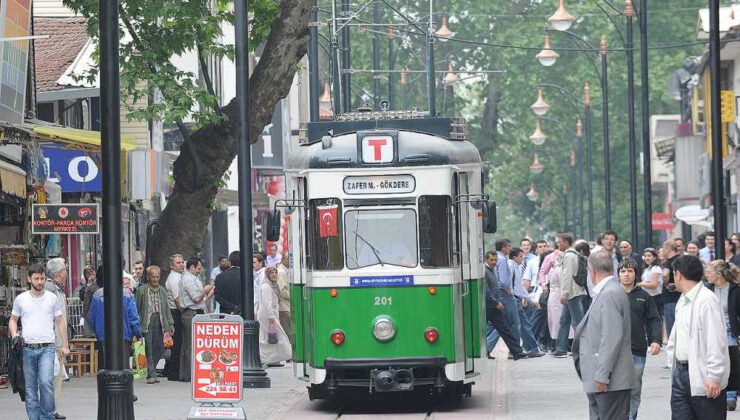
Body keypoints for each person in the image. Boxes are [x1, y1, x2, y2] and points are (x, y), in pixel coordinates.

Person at [573, 250, 635, 420]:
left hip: (610, 381)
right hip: (604, 380)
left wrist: (602, 374)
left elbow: (611, 337)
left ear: (591, 271)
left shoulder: (610, 293)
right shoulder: (608, 291)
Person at [666, 255, 729, 419]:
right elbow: (676, 334)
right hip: (680, 374)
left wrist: (714, 376)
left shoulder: (707, 300)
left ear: (678, 274)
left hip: (703, 375)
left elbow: (716, 341)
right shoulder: (683, 299)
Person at [9, 264, 70, 420]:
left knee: (45, 383)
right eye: (36, 278)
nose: (40, 281)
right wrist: (15, 334)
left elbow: (60, 321)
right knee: (30, 389)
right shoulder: (21, 299)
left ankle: (46, 417)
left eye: (42, 278)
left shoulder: (52, 298)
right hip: (27, 348)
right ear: (29, 279)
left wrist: (65, 345)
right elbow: (13, 320)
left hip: (47, 348)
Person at [618, 258, 662, 420]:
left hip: (637, 349)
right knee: (616, 390)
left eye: (630, 271)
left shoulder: (644, 296)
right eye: (623, 271)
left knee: (634, 389)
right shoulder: (611, 294)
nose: (626, 275)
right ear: (618, 274)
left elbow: (654, 319)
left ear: (636, 274)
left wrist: (655, 340)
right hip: (614, 351)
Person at [705, 260, 740, 411]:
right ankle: (719, 391)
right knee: (714, 361)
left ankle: (731, 394)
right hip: (711, 331)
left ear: (718, 274)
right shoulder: (706, 290)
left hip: (729, 332)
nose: (706, 274)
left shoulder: (735, 290)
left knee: (731, 361)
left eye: (709, 271)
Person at [135, 266, 174, 384]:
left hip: (160, 320)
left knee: (160, 347)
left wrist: (170, 324)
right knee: (149, 347)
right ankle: (151, 374)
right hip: (147, 321)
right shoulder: (142, 290)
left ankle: (150, 370)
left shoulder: (162, 290)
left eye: (157, 277)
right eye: (153, 276)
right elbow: (137, 308)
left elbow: (166, 308)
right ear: (148, 277)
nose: (155, 279)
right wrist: (137, 324)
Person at [484, 251, 526, 360]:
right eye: (491, 260)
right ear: (486, 260)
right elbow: (486, 290)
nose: (493, 262)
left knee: (504, 329)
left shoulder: (492, 270)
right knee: (485, 330)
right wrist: (495, 302)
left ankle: (517, 351)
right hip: (489, 306)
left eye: (495, 260)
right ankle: (486, 350)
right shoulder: (485, 271)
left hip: (495, 306)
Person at [554, 233, 589, 358]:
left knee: (578, 322)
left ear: (566, 242)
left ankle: (584, 348)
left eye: (559, 242)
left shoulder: (569, 255)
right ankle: (561, 347)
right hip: (575, 291)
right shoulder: (572, 254)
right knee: (564, 320)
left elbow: (567, 275)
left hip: (572, 293)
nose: (557, 244)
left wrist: (564, 293)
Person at [179, 257, 214, 381]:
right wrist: (205, 290)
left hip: (197, 311)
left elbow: (202, 299)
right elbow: (196, 298)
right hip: (191, 312)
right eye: (198, 268)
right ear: (192, 267)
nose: (200, 271)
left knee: (192, 344)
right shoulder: (188, 279)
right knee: (190, 344)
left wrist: (208, 291)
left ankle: (189, 372)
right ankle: (189, 374)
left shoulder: (194, 278)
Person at [44, 258, 68, 420]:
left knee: (56, 377)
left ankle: (52, 409)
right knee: (51, 377)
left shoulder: (57, 289)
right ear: (60, 272)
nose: (66, 271)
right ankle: (49, 410)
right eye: (65, 269)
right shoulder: (50, 290)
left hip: (58, 341)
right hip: (53, 342)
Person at [509, 248, 544, 357]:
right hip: (512, 298)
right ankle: (527, 349)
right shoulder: (511, 266)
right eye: (520, 256)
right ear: (514, 257)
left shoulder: (514, 266)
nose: (522, 258)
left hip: (514, 298)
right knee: (520, 324)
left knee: (522, 324)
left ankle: (530, 349)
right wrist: (530, 300)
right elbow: (516, 287)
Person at [539, 248, 572, 353]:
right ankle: (558, 343)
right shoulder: (557, 269)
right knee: (557, 320)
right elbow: (543, 272)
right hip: (558, 295)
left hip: (556, 295)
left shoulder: (554, 270)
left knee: (556, 320)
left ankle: (556, 343)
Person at [257, 266, 292, 366]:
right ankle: (286, 354)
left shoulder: (274, 285)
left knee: (272, 338)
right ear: (267, 274)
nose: (274, 275)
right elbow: (267, 302)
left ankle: (274, 359)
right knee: (275, 336)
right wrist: (271, 317)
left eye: (275, 273)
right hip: (268, 316)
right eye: (271, 273)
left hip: (271, 315)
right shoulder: (266, 286)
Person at [164, 254, 185, 381]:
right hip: (175, 312)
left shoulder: (180, 276)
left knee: (178, 342)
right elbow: (177, 300)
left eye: (182, 262)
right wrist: (185, 311)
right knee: (177, 343)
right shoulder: (174, 278)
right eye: (178, 262)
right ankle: (173, 371)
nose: (182, 264)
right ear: (172, 265)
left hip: (177, 311)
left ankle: (172, 369)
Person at [662, 240, 682, 338]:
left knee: (673, 332)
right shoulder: (680, 259)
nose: (662, 252)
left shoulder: (670, 262)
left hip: (671, 300)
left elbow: (665, 274)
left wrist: (665, 283)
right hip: (678, 299)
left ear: (668, 249)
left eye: (663, 249)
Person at [637, 248, 663, 316]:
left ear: (654, 257)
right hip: (647, 296)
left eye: (649, 256)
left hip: (655, 297)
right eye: (645, 256)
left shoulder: (656, 268)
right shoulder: (647, 268)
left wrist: (639, 284)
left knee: (655, 319)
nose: (646, 258)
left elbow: (654, 285)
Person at [276, 255, 292, 347]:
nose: (290, 261)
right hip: (284, 306)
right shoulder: (282, 272)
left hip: (284, 306)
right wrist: (294, 297)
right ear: (283, 260)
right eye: (288, 259)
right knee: (288, 331)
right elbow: (282, 291)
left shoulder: (284, 271)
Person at [82, 266, 100, 338]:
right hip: (89, 316)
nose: (90, 274)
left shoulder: (97, 285)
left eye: (91, 272)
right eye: (87, 273)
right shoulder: (84, 287)